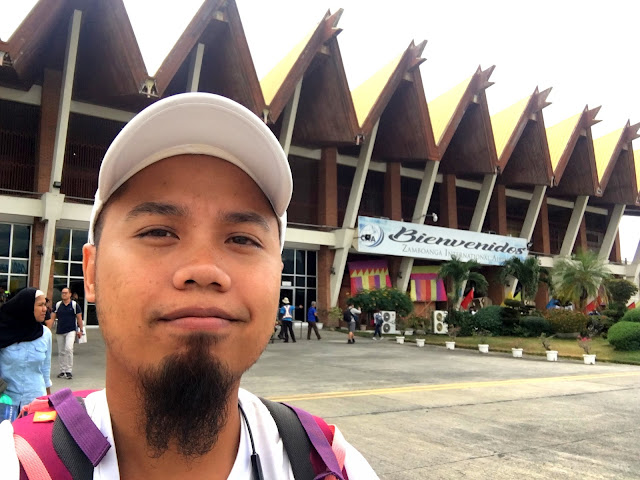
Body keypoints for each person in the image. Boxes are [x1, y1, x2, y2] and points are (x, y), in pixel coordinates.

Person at [0, 93, 377, 479]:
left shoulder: (330, 464)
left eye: (242, 239)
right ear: (91, 273)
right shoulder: (19, 462)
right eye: (158, 231)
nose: (205, 270)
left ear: (278, 274)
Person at [0, 288, 52, 421]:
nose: (45, 309)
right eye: (40, 305)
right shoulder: (4, 333)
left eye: (45, 304)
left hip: (36, 402)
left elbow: (45, 371)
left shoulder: (45, 334)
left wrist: (49, 401)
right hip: (8, 404)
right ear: (26, 307)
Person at [50, 287, 84, 380]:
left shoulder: (74, 305)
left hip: (71, 330)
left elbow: (79, 318)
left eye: (65, 293)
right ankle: (62, 370)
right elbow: (52, 318)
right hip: (60, 331)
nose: (63, 294)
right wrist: (48, 329)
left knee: (68, 349)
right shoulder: (57, 305)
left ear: (70, 294)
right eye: (62, 293)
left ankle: (68, 370)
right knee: (61, 351)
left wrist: (81, 330)